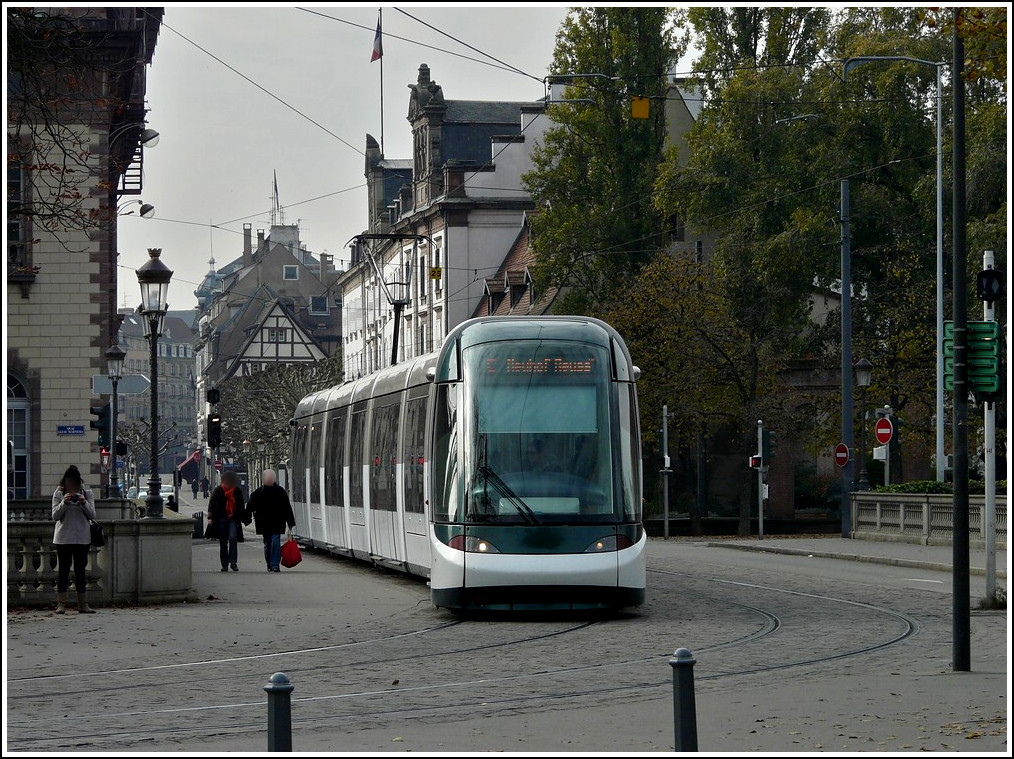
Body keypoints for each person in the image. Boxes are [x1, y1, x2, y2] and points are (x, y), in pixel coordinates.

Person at [51, 465, 97, 614]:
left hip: (82, 538)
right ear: (64, 483)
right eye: (69, 484)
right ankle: (61, 604)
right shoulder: (58, 494)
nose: (72, 487)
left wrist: (83, 502)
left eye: (74, 484)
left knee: (80, 571)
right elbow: (55, 516)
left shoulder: (87, 493)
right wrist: (64, 502)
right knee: (63, 571)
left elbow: (92, 515)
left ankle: (82, 604)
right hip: (63, 538)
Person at [246, 469, 296, 572]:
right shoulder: (258, 493)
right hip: (264, 523)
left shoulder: (280, 492)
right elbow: (250, 506)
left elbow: (287, 507)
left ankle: (275, 565)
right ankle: (269, 562)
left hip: (277, 522)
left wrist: (290, 522)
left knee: (275, 542)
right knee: (267, 544)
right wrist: (246, 518)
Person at [207, 470, 246, 571]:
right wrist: (210, 517)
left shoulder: (237, 491)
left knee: (233, 539)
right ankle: (224, 564)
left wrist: (241, 516)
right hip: (221, 518)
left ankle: (233, 562)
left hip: (233, 518)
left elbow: (241, 505)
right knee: (223, 542)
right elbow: (212, 504)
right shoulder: (219, 490)